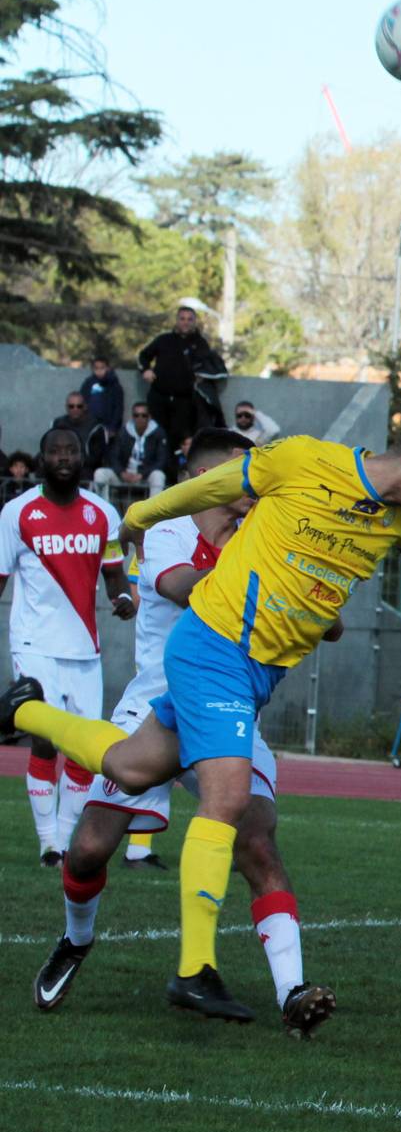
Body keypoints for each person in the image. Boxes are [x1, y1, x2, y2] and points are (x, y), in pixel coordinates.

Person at [3, 414, 401, 1023]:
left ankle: (24, 710)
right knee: (191, 813)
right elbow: (207, 502)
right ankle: (190, 969)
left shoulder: (396, 519)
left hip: (248, 679)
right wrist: (140, 516)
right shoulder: (300, 463)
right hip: (213, 655)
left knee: (142, 772)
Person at [31, 428, 336, 1037]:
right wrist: (275, 592)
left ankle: (293, 991)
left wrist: (312, 597)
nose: (252, 484)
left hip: (229, 707)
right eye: (240, 472)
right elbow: (183, 589)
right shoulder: (168, 529)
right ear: (203, 480)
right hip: (154, 703)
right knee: (90, 848)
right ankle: (76, 938)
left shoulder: (265, 533)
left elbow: (328, 623)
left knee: (257, 842)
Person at [0, 428, 135, 864]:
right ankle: (49, 844)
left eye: (70, 451)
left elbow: (113, 573)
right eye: (55, 451)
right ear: (42, 457)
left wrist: (123, 599)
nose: (63, 457)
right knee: (43, 739)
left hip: (84, 650)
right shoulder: (15, 513)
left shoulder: (103, 513)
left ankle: (63, 837)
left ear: (82, 458)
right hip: (34, 643)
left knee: (81, 750)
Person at [138, 299, 227, 449]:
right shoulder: (164, 340)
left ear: (194, 322)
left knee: (179, 440)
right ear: (177, 321)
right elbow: (144, 355)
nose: (186, 322)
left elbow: (212, 365)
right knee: (156, 437)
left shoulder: (200, 343)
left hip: (184, 401)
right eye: (182, 319)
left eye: (189, 319)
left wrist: (202, 377)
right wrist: (145, 370)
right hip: (159, 397)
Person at [95, 403, 171, 496]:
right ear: (132, 417)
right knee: (100, 474)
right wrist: (122, 473)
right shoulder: (123, 432)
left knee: (158, 475)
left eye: (144, 415)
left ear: (149, 417)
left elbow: (161, 461)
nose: (140, 418)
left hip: (145, 475)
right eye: (136, 415)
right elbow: (114, 456)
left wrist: (142, 474)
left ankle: (153, 509)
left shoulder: (158, 433)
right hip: (125, 473)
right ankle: (103, 508)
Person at [51, 392, 107, 478]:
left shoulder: (96, 427)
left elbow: (96, 459)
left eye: (79, 406)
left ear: (85, 407)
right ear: (66, 407)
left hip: (84, 467)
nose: (75, 409)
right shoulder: (58, 423)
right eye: (71, 406)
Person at [81, 356, 124, 443]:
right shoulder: (88, 383)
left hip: (108, 427)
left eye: (102, 368)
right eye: (96, 368)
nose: (99, 371)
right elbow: (82, 401)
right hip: (90, 425)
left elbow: (118, 408)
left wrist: (113, 427)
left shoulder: (114, 385)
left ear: (108, 368)